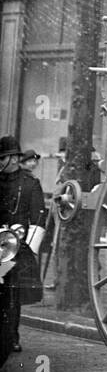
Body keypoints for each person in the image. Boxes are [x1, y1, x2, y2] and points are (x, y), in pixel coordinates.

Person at [0, 135, 47, 353]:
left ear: (14, 158)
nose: (1, 163)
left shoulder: (30, 184)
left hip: (17, 249)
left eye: (4, 158)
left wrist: (29, 248)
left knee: (12, 296)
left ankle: (12, 337)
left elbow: (38, 219)